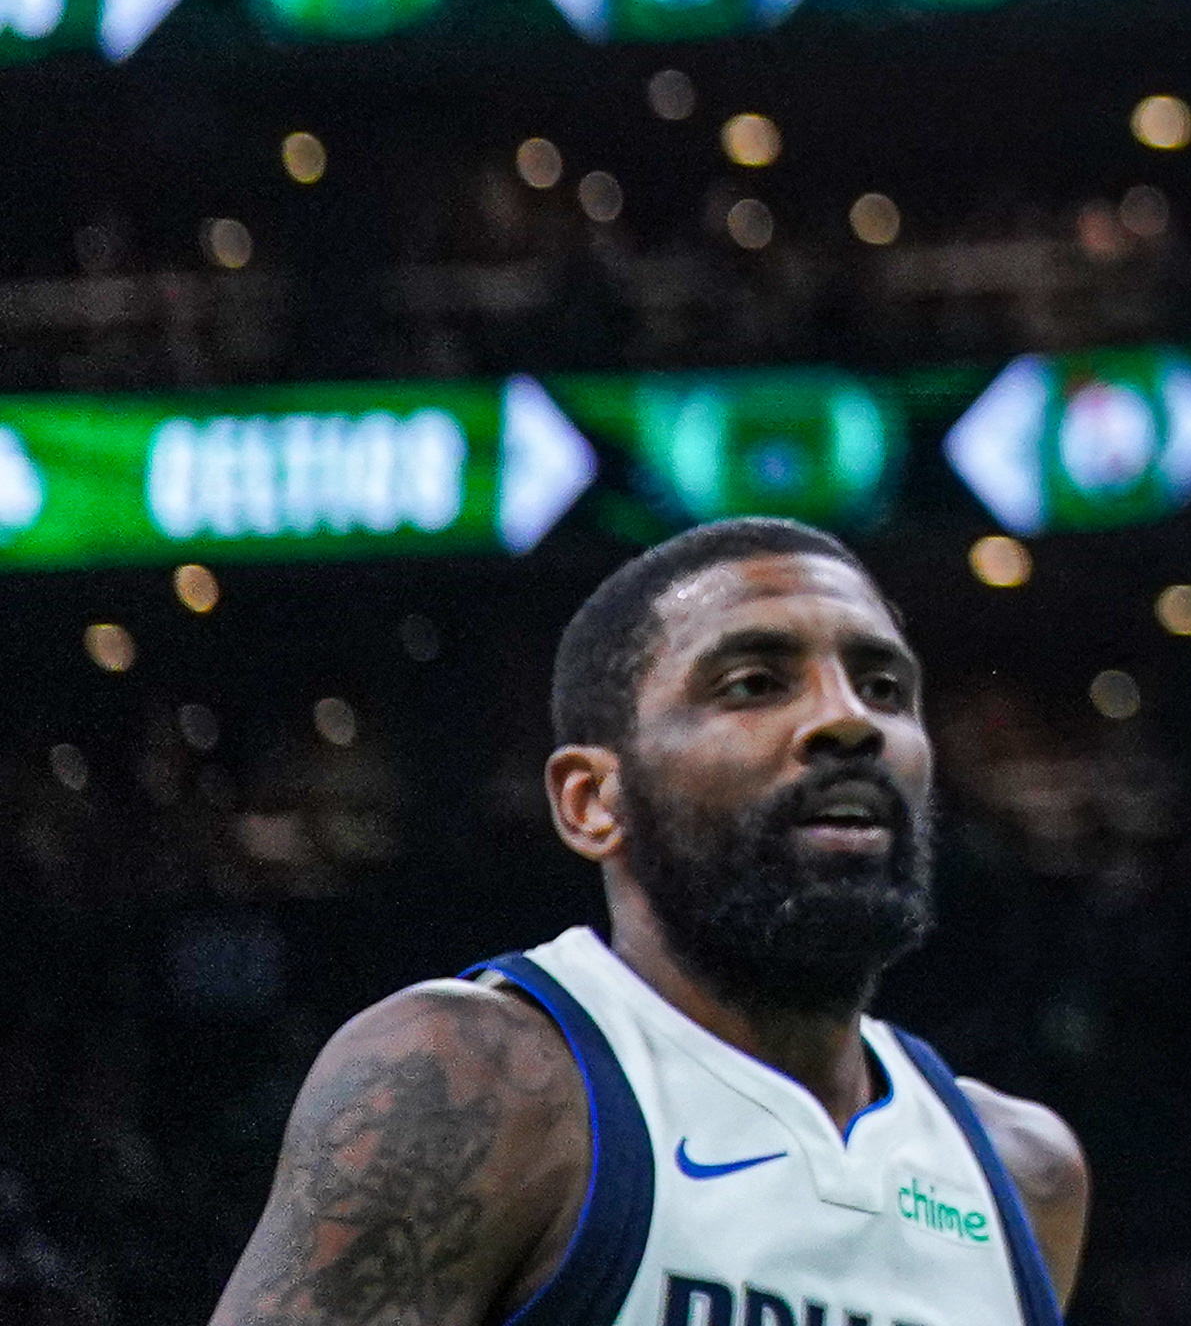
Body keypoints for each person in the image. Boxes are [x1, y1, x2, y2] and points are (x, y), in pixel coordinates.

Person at [201, 520, 1086, 1326]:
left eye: (884, 687)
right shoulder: (476, 1085)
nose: (849, 720)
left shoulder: (1021, 1172)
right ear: (593, 800)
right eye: (755, 683)